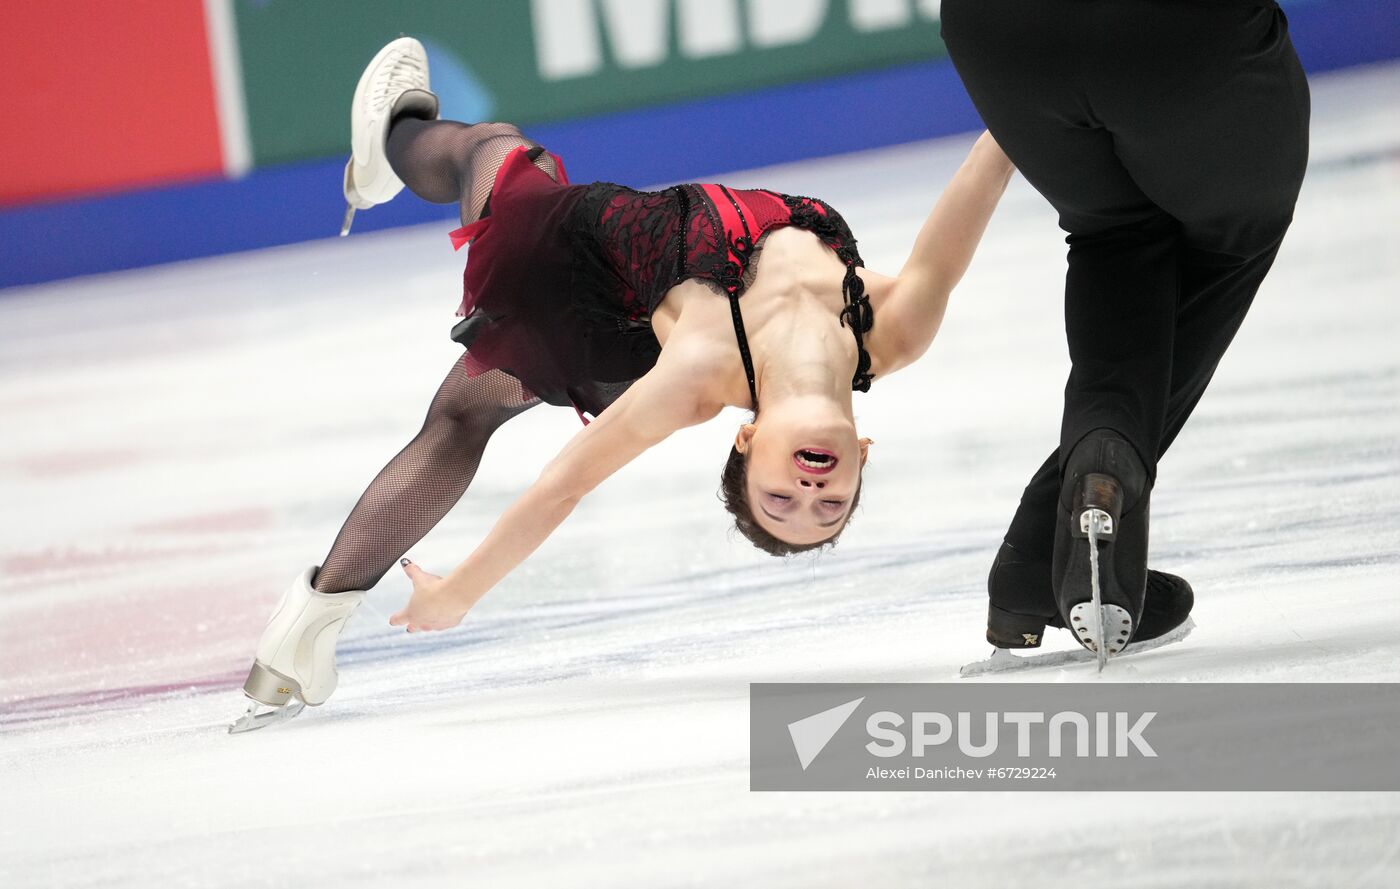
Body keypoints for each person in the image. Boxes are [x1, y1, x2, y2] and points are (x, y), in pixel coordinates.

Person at [231, 37, 1016, 731]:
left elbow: (563, 483)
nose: (811, 491)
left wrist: (459, 592)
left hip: (558, 258)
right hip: (622, 306)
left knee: (492, 149)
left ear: (747, 442)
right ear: (861, 455)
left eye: (783, 501)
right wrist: (1044, 78)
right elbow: (990, 168)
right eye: (829, 504)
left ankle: (394, 139)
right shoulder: (897, 327)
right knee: (465, 413)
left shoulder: (703, 369)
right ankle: (309, 623)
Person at [939, 0, 1309, 661]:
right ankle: (1038, 543)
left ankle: (1073, 506)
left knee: (1115, 232)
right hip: (1168, 33)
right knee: (1235, 231)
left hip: (997, 36)